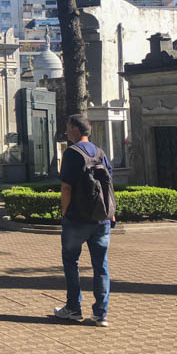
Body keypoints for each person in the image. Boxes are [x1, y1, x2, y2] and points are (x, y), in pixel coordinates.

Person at [53, 114, 114, 327]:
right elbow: (108, 184)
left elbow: (66, 187)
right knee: (101, 266)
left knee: (71, 262)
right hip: (101, 219)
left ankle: (73, 308)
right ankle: (101, 314)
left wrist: (64, 212)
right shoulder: (100, 152)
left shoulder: (72, 153)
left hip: (77, 219)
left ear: (77, 131)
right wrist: (111, 214)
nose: (67, 132)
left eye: (68, 129)